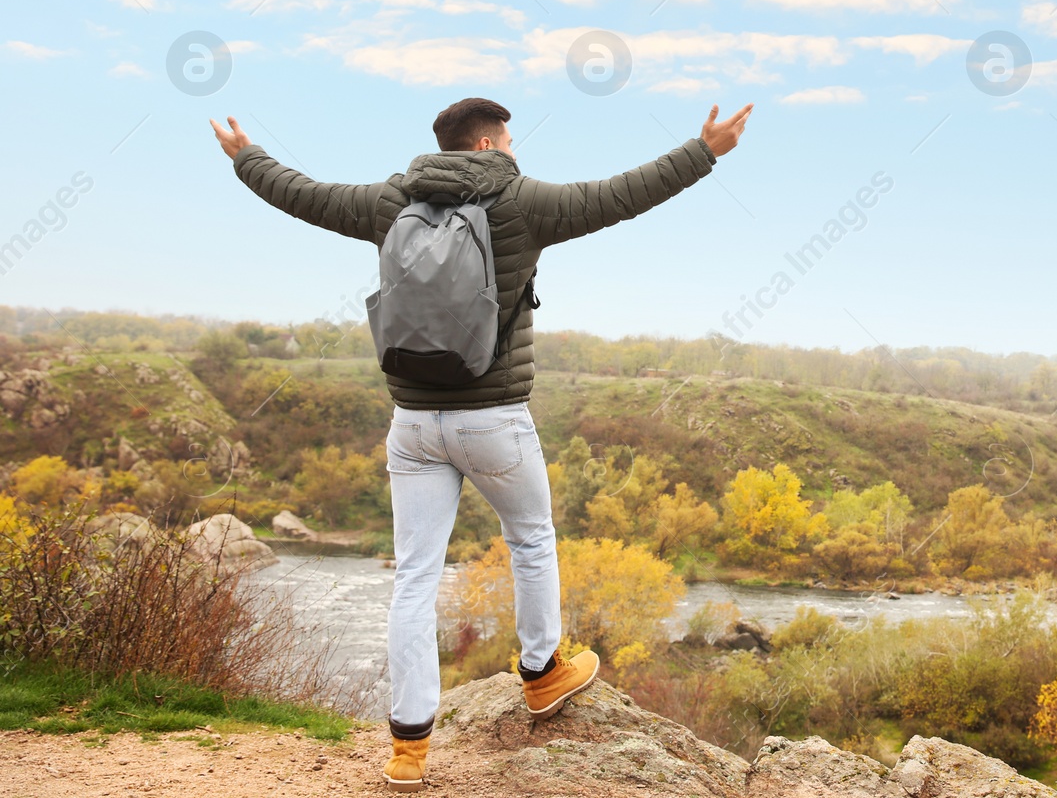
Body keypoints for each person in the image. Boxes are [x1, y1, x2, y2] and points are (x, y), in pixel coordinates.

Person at [210, 98, 753, 791]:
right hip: (492, 416)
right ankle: (541, 673)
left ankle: (408, 749)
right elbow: (621, 195)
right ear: (492, 142)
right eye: (512, 140)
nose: (516, 149)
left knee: (414, 575)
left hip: (412, 424)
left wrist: (245, 156)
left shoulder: (389, 200)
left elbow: (303, 195)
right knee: (529, 537)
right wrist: (704, 150)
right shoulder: (519, 201)